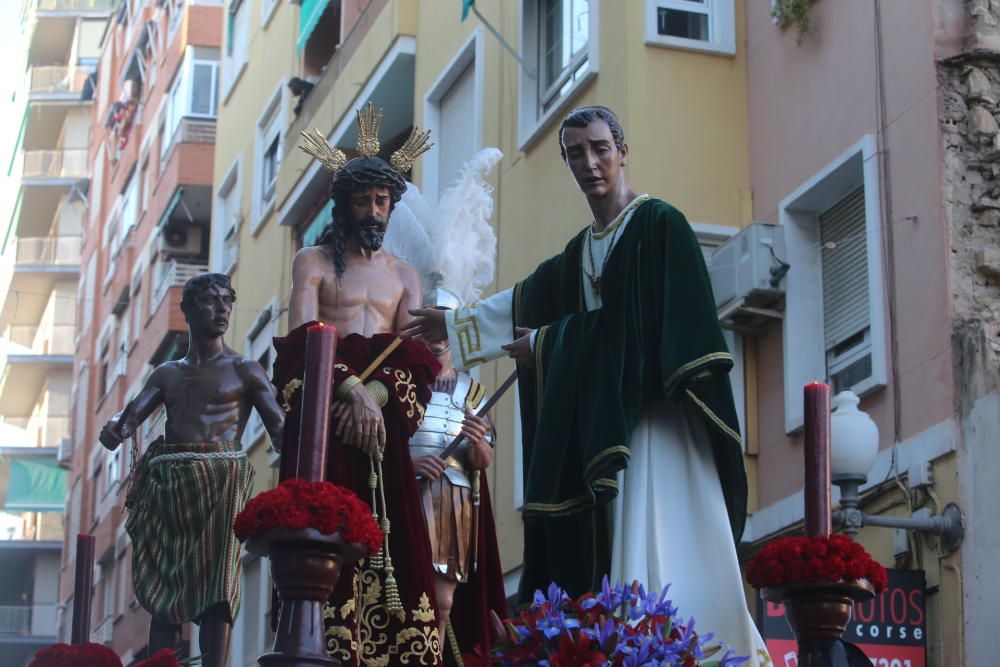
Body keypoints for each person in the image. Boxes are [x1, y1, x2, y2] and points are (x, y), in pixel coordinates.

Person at [404, 106, 769, 663]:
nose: (590, 163)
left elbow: (640, 332)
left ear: (622, 150)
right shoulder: (582, 251)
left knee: (660, 544)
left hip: (657, 428)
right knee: (622, 550)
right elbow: (527, 300)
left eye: (599, 148)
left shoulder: (658, 226)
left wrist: (547, 346)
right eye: (575, 153)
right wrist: (453, 324)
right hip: (611, 426)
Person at [274, 102, 445, 666]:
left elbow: (418, 359)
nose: (373, 210)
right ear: (343, 205)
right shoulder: (314, 261)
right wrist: (347, 389)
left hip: (382, 426)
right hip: (326, 417)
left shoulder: (405, 275)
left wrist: (375, 396)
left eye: (382, 201)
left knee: (397, 543)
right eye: (362, 200)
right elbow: (301, 341)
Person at [99, 273, 284, 667]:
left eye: (226, 302)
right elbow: (131, 416)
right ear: (187, 310)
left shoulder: (246, 369)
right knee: (165, 589)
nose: (221, 310)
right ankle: (161, 662)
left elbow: (280, 427)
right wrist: (116, 427)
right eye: (211, 301)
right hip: (170, 486)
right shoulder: (168, 373)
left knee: (218, 586)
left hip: (222, 481)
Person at [380, 151, 508, 662]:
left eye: (443, 329)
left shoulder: (472, 389)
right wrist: (406, 463)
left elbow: (484, 459)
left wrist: (478, 450)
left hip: (452, 497)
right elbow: (382, 444)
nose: (434, 339)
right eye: (425, 327)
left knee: (444, 597)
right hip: (406, 493)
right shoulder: (397, 382)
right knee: (400, 596)